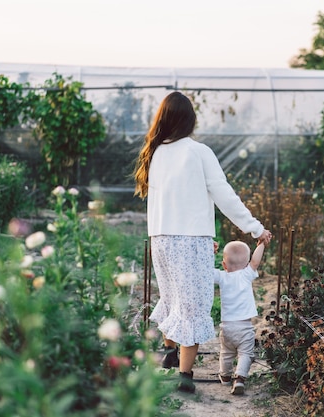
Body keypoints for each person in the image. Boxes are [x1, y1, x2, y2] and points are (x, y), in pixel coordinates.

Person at [133, 91, 272, 394]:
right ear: (189, 120)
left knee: (172, 297)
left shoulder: (154, 153)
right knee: (193, 304)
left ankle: (170, 351)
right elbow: (225, 196)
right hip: (190, 239)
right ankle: (185, 375)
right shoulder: (198, 152)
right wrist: (254, 228)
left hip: (161, 239)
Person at [213, 240, 266, 395]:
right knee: (245, 354)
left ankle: (225, 376)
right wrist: (261, 243)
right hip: (244, 327)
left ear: (224, 265)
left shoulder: (222, 276)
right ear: (246, 264)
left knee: (226, 352)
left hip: (227, 327)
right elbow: (255, 262)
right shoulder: (246, 274)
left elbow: (205, 270)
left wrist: (210, 253)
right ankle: (240, 379)